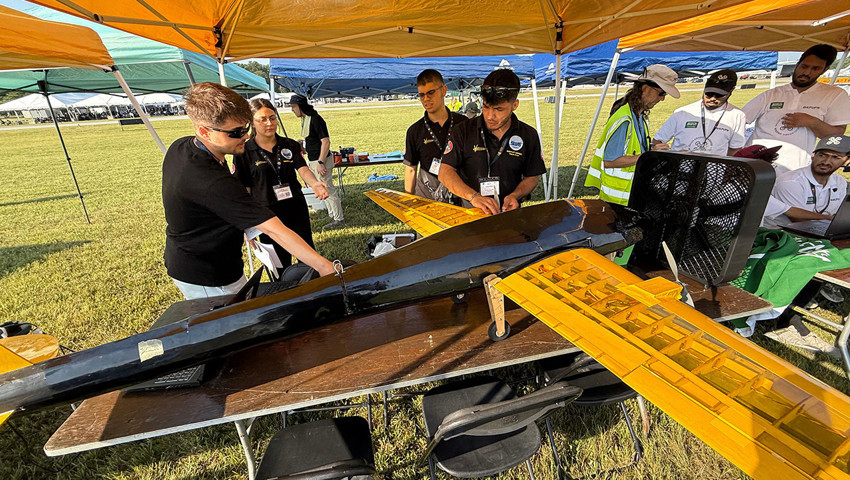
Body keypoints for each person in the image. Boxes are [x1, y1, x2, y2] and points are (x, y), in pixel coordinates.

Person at [162, 83, 335, 299]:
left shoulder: (182, 146)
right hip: (207, 272)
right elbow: (273, 229)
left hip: (211, 258)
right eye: (236, 132)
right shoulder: (212, 182)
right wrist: (325, 266)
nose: (245, 136)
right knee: (231, 323)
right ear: (204, 130)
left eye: (245, 128)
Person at [233, 98, 331, 278]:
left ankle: (312, 291)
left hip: (295, 209)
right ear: (252, 122)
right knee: (279, 264)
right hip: (267, 215)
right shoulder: (244, 151)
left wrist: (315, 184)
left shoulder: (290, 145)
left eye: (272, 117)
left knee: (308, 256)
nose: (269, 123)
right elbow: (244, 189)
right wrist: (247, 225)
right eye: (262, 119)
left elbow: (303, 168)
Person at [438, 69, 545, 215]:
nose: (490, 116)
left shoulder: (528, 135)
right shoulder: (463, 131)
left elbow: (532, 176)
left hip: (509, 216)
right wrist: (473, 197)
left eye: (499, 109)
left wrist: (515, 196)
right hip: (470, 216)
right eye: (486, 107)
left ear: (515, 105)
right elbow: (445, 172)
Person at [742, 44, 850, 174]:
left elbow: (836, 136)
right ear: (798, 63)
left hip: (794, 170)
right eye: (804, 66)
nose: (806, 72)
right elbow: (740, 119)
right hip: (756, 167)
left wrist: (811, 122)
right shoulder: (771, 94)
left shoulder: (834, 95)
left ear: (825, 70)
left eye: (815, 68)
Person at [584, 64, 680, 206]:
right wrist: (649, 155)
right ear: (645, 88)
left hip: (630, 195)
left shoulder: (639, 115)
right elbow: (610, 161)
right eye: (661, 93)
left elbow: (633, 148)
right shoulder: (625, 119)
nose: (662, 99)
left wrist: (653, 148)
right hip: (618, 201)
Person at [403, 69, 468, 201]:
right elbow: (411, 169)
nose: (426, 99)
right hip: (428, 194)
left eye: (431, 93)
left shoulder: (464, 124)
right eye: (422, 95)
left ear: (443, 91)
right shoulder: (414, 131)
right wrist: (408, 203)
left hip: (460, 192)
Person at [653, 69, 745, 156]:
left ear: (731, 91)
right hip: (681, 171)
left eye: (719, 95)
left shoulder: (737, 115)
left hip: (714, 172)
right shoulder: (682, 112)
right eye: (708, 94)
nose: (713, 98)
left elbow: (735, 150)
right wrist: (670, 155)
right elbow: (657, 141)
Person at [766, 135, 850, 227]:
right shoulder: (790, 182)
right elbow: (799, 220)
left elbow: (838, 215)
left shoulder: (840, 182)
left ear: (847, 160)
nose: (826, 162)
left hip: (821, 230)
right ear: (813, 155)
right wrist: (829, 219)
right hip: (784, 234)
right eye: (822, 155)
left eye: (835, 157)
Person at [289, 94, 344, 229]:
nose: (292, 110)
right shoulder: (305, 119)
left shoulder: (316, 119)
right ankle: (332, 214)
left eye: (294, 107)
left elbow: (325, 142)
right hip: (314, 159)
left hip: (321, 161)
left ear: (301, 107)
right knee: (323, 188)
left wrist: (321, 162)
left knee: (328, 189)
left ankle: (339, 219)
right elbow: (313, 141)